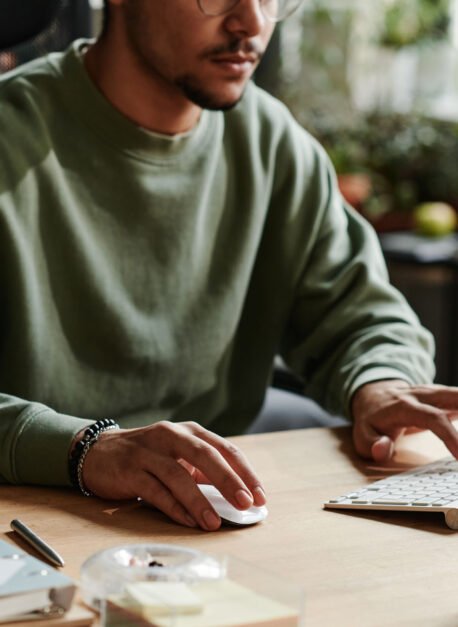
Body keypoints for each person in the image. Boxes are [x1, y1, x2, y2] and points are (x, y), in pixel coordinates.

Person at [0, 0, 457, 532]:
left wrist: (378, 381)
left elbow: (361, 316)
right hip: (29, 526)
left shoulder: (274, 145)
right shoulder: (12, 136)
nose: (252, 24)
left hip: (218, 521)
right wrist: (84, 449)